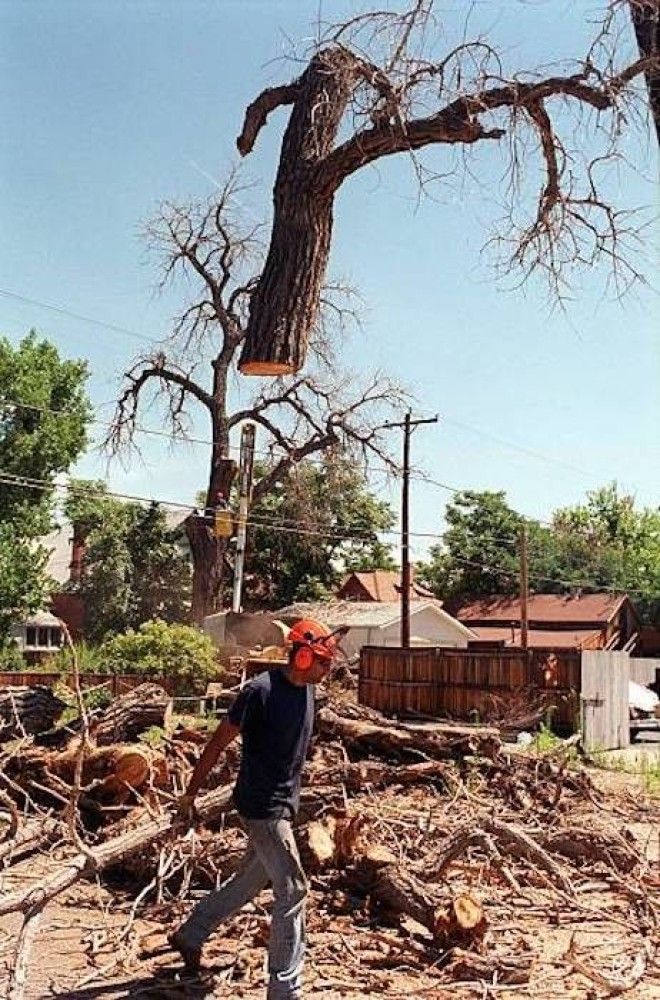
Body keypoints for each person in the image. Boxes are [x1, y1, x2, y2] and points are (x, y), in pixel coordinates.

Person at [170, 619, 340, 999]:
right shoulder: (259, 692)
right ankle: (284, 989)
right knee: (293, 888)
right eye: (323, 663)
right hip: (263, 808)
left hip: (282, 804)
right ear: (302, 656)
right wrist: (190, 795)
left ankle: (190, 933)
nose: (327, 671)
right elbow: (217, 743)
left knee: (249, 881)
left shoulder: (308, 692)